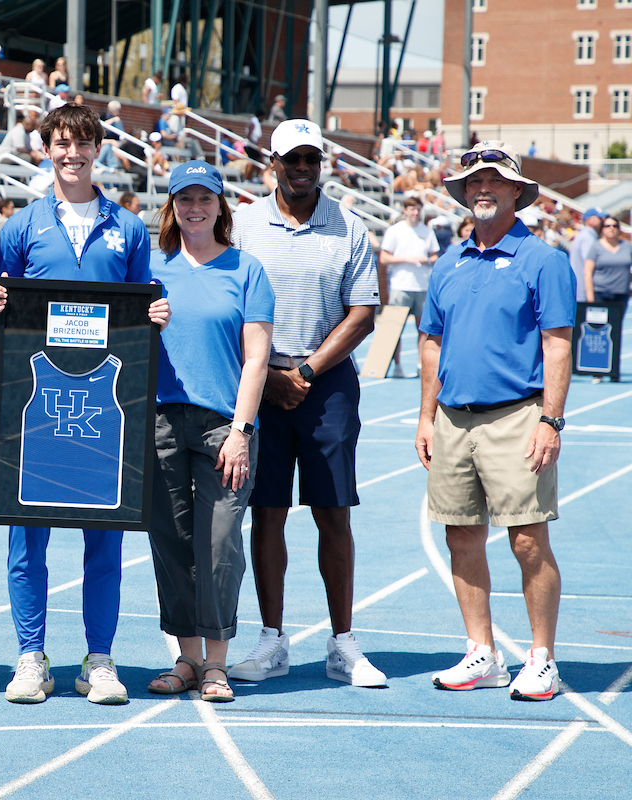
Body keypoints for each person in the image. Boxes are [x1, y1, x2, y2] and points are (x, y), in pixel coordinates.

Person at [0, 104, 170, 705]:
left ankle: (99, 660)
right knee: (28, 536)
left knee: (105, 535)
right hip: (38, 406)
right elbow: (4, 307)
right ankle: (31, 656)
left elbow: (145, 303)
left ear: (99, 150)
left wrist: (156, 314)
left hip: (103, 407)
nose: (73, 154)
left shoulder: (129, 227)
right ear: (46, 149)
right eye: (62, 144)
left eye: (83, 144)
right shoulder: (21, 226)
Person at [228, 119, 387, 689]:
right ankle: (272, 641)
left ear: (322, 164)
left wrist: (305, 371)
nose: (301, 170)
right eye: (291, 160)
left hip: (326, 386)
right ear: (271, 162)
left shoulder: (349, 226)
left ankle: (343, 643)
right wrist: (269, 376)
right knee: (266, 512)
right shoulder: (242, 223)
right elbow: (229, 305)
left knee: (332, 512)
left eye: (310, 161)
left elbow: (364, 313)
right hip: (259, 384)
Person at [416, 141, 575, 701]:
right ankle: (481, 652)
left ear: (515, 192)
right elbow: (431, 344)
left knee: (528, 541)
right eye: (473, 183)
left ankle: (542, 658)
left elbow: (558, 343)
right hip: (454, 420)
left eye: (494, 181)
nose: (482, 189)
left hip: (518, 414)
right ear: (463, 195)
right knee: (461, 536)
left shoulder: (544, 260)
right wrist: (426, 417)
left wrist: (550, 420)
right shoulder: (447, 263)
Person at [145, 162, 273, 703]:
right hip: (161, 423)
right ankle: (187, 658)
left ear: (222, 206)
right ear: (171, 206)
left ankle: (217, 661)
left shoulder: (247, 269)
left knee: (220, 542)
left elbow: (257, 357)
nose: (195, 207)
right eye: (185, 198)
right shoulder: (151, 269)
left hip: (226, 426)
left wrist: (242, 430)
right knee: (171, 542)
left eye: (205, 198)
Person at [379, 196, 440, 378]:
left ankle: (421, 365)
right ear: (405, 210)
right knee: (394, 328)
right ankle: (397, 366)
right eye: (412, 209)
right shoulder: (395, 231)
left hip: (422, 286)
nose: (415, 213)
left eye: (418, 209)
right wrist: (408, 259)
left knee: (423, 329)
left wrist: (428, 260)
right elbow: (383, 258)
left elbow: (435, 255)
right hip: (400, 285)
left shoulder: (427, 231)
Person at [584, 217, 631, 320]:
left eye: (614, 226)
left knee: (616, 327)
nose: (611, 228)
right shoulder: (596, 246)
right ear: (602, 229)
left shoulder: (627, 247)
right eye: (608, 226)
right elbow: (587, 273)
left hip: (621, 294)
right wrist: (590, 299)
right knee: (600, 327)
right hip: (600, 294)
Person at [570, 208, 605, 302]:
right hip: (584, 290)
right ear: (589, 220)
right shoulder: (588, 237)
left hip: (581, 289)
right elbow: (590, 264)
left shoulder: (585, 235)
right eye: (599, 218)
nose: (602, 221)